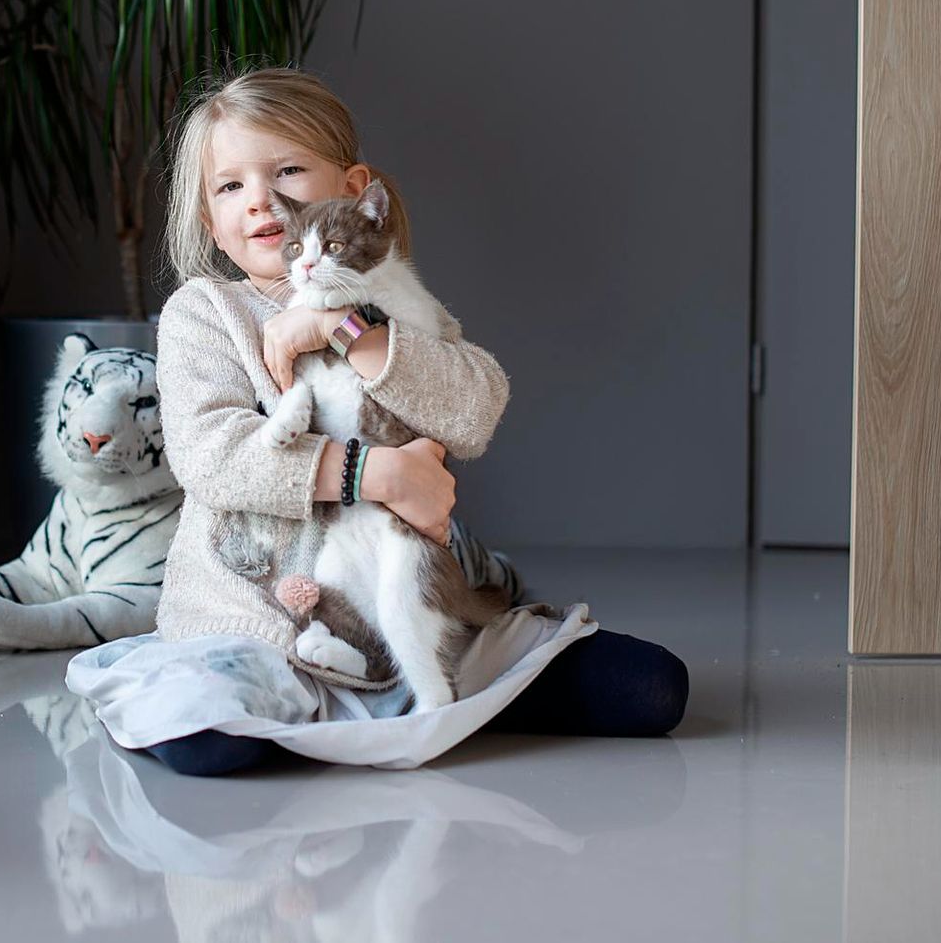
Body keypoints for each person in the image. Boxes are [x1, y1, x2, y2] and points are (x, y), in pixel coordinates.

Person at [63, 66, 688, 775]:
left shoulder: (384, 304)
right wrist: (376, 473)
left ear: (355, 192)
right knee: (208, 740)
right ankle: (373, 710)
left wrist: (348, 329)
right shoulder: (205, 313)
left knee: (652, 689)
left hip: (404, 614)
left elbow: (476, 407)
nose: (261, 200)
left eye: (288, 170)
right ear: (212, 222)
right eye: (230, 186)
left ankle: (437, 691)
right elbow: (214, 455)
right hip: (259, 628)